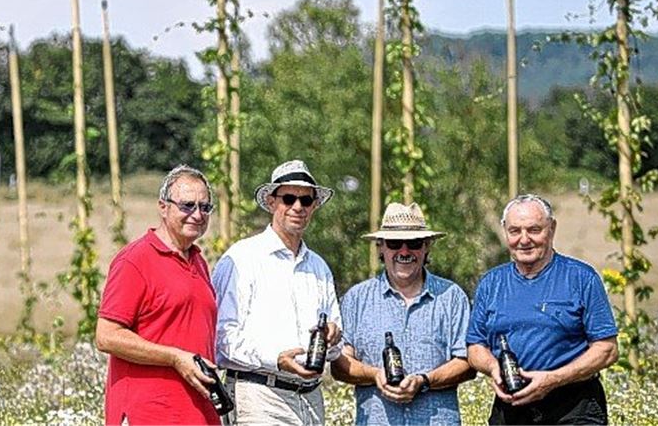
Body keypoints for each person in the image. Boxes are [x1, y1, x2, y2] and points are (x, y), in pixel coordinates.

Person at [466, 194, 618, 425]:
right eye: (515, 231)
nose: (524, 240)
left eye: (534, 230)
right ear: (505, 231)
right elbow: (475, 347)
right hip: (512, 404)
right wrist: (493, 368)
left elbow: (607, 349)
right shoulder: (491, 283)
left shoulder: (581, 278)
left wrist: (553, 379)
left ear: (552, 229)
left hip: (573, 406)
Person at [212, 159, 342, 425]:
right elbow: (221, 339)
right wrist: (276, 360)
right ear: (271, 202)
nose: (298, 207)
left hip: (310, 398)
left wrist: (333, 337)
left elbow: (336, 345)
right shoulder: (242, 258)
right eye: (289, 198)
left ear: (314, 205)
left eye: (306, 201)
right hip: (260, 396)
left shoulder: (319, 267)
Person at [95, 165, 221, 426]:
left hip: (196, 414)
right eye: (187, 206)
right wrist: (175, 357)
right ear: (163, 207)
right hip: (149, 413)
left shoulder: (198, 261)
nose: (197, 215)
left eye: (205, 207)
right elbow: (106, 336)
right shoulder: (135, 261)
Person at [332, 202, 475, 425]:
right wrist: (374, 375)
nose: (404, 251)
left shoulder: (451, 296)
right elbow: (340, 364)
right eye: (394, 243)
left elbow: (467, 363)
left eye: (414, 243)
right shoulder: (357, 298)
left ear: (427, 247)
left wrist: (424, 381)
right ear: (380, 247)